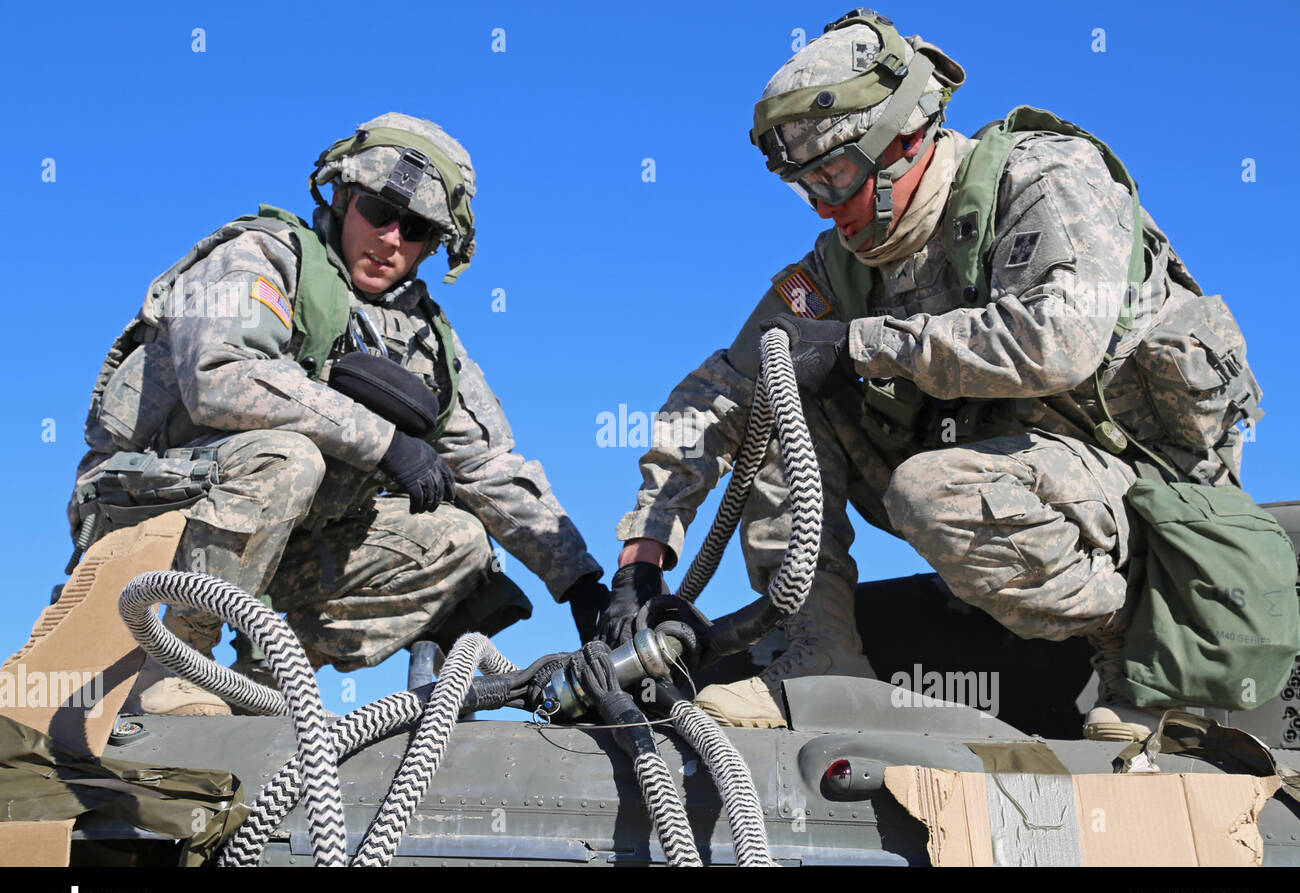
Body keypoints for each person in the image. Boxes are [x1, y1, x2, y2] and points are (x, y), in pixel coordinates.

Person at [603, 10, 1262, 737]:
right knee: (780, 386)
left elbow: (1057, 341)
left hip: (1131, 489)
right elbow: (723, 388)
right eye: (805, 187)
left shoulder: (1045, 178)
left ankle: (1140, 637)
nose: (825, 206)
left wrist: (862, 344)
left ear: (901, 141)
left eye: (836, 175)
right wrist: (644, 550)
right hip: (994, 479)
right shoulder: (840, 267)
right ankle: (820, 663)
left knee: (928, 488)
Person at [68, 112, 608, 716]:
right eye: (377, 212)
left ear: (436, 245)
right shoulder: (263, 257)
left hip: (280, 540)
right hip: (150, 511)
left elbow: (487, 467)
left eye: (417, 229)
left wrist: (583, 585)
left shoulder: (423, 341)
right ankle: (174, 664)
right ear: (343, 197)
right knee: (288, 457)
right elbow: (220, 377)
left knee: (458, 539)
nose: (390, 240)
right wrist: (384, 442)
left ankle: (267, 679)